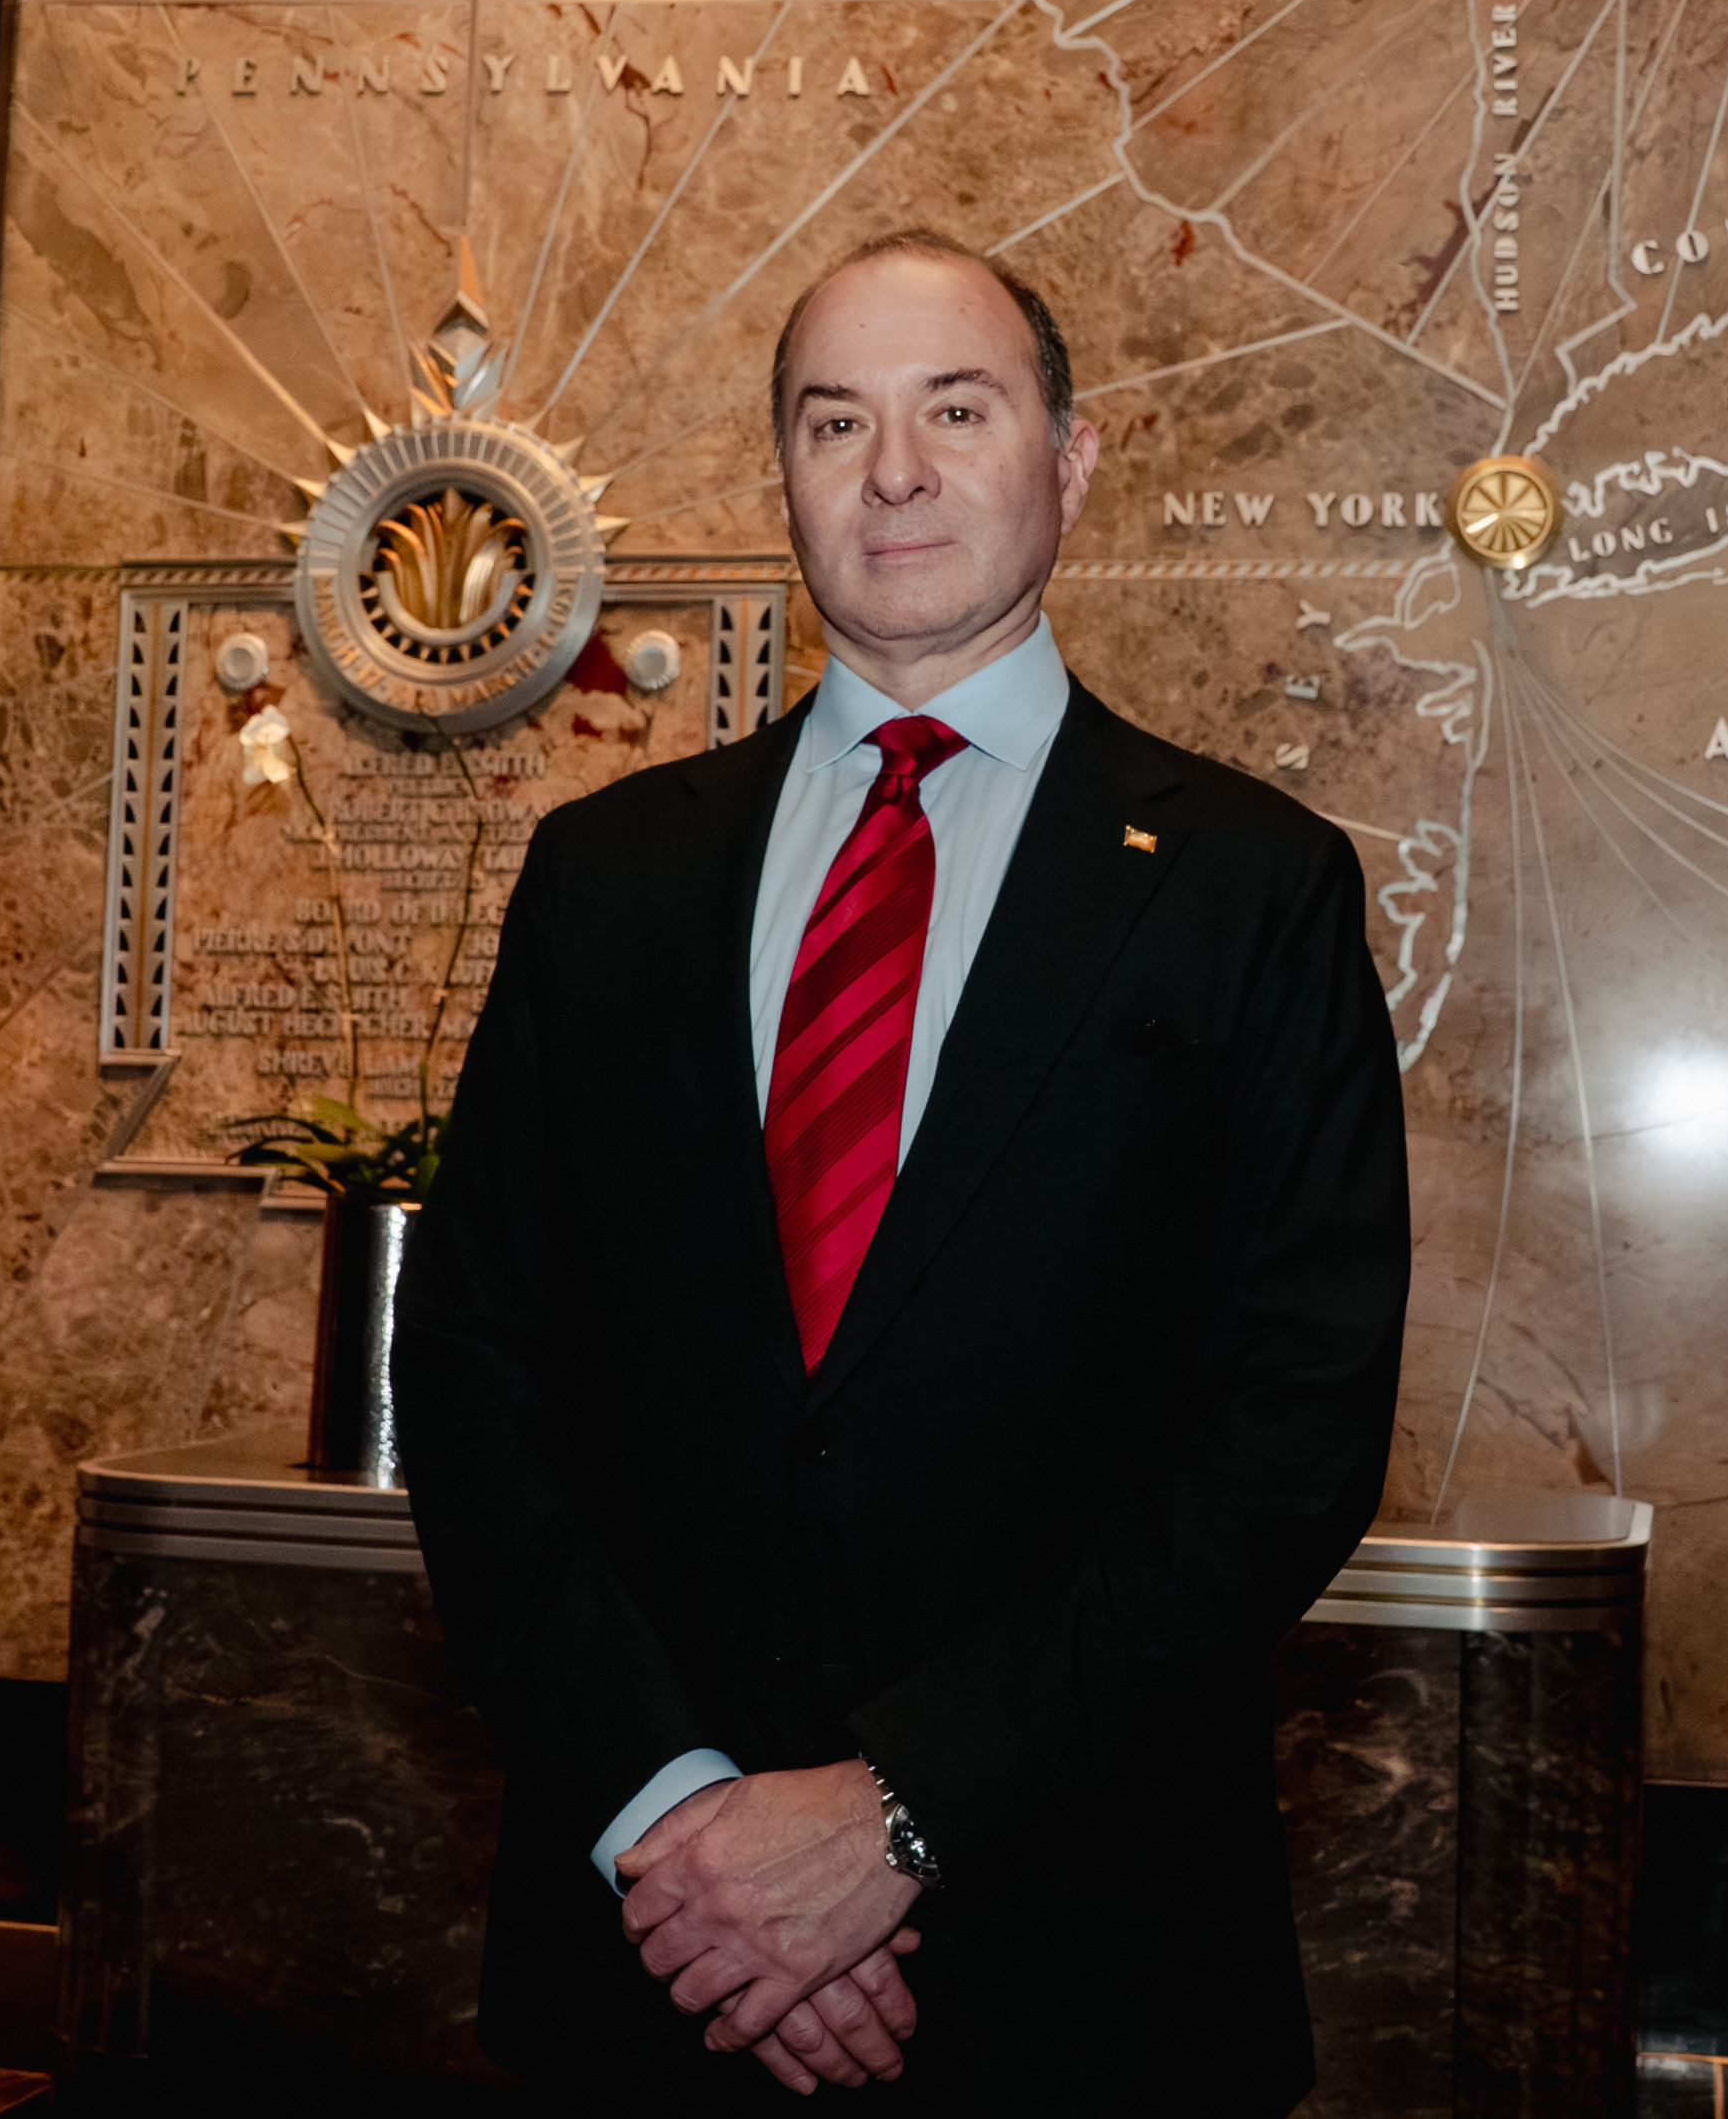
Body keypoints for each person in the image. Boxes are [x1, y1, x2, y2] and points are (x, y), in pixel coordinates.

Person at [395, 231, 1415, 2110]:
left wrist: (903, 1810)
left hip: (1081, 1971)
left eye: (958, 408)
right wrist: (677, 1817)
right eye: (833, 419)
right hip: (652, 1969)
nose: (894, 469)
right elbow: (468, 1372)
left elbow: (1291, 1429)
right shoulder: (607, 882)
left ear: (1071, 460)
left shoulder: (1250, 893)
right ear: (780, 475)